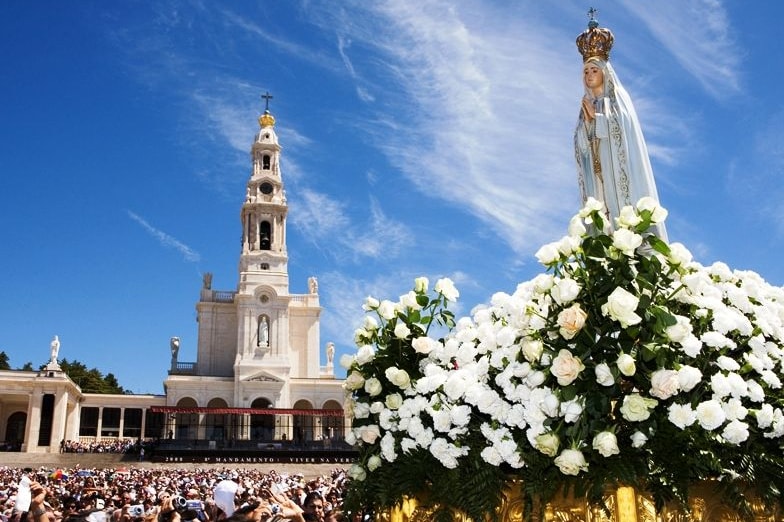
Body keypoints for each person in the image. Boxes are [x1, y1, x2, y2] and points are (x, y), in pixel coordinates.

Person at [574, 11, 667, 240]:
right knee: (600, 221)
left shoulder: (616, 100)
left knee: (624, 222)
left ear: (605, 73)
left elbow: (624, 129)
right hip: (598, 178)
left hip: (618, 176)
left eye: (594, 70)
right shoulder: (586, 105)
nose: (589, 75)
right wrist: (586, 128)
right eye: (586, 71)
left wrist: (598, 121)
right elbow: (581, 147)